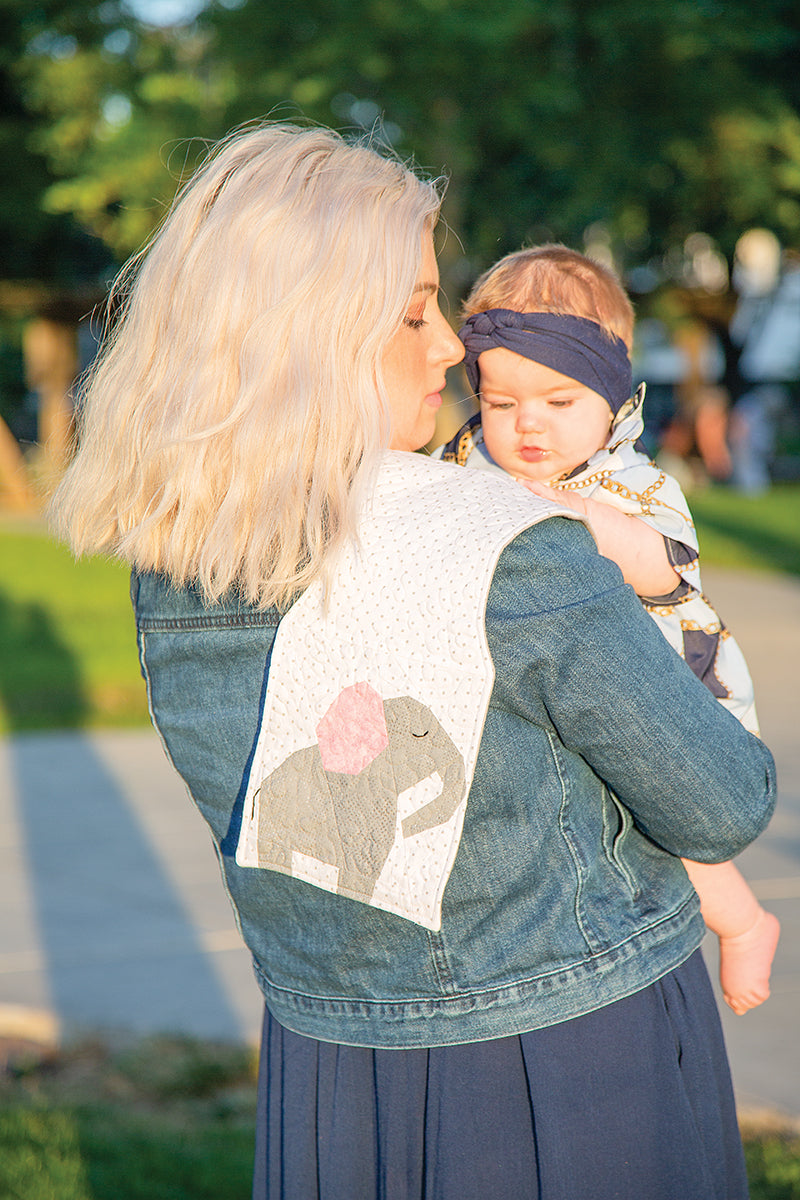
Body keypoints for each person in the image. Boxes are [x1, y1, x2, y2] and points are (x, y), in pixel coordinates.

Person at [49, 124, 776, 1200]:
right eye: (413, 311)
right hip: (568, 1061)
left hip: (329, 1066)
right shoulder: (511, 544)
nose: (448, 347)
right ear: (314, 331)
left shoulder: (179, 561)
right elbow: (720, 802)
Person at [439, 244, 780, 1017]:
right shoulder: (465, 460)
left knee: (670, 816)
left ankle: (742, 921)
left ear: (613, 396)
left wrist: (580, 521)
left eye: (559, 402)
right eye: (501, 403)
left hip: (650, 693)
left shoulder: (629, 484)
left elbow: (662, 566)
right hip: (533, 685)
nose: (527, 425)